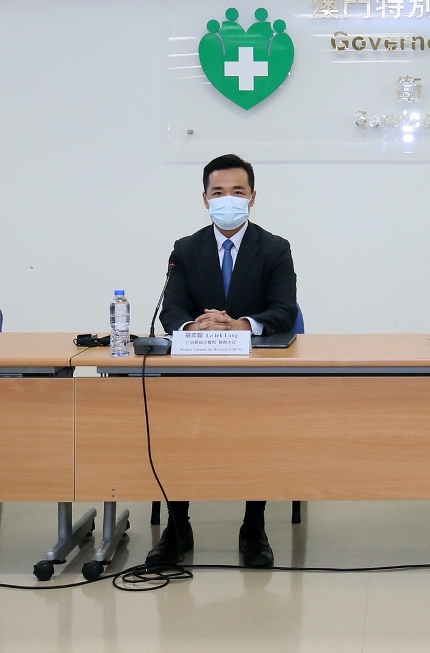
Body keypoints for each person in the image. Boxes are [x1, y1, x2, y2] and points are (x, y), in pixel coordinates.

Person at [147, 154, 298, 569]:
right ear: (205, 199)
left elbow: (284, 310)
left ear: (252, 198)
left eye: (237, 191)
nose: (227, 199)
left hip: (253, 371)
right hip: (194, 368)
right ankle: (178, 527)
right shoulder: (186, 249)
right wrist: (194, 326)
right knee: (173, 428)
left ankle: (254, 526)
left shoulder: (275, 248)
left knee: (258, 431)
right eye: (218, 192)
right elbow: (171, 309)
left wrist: (240, 325)